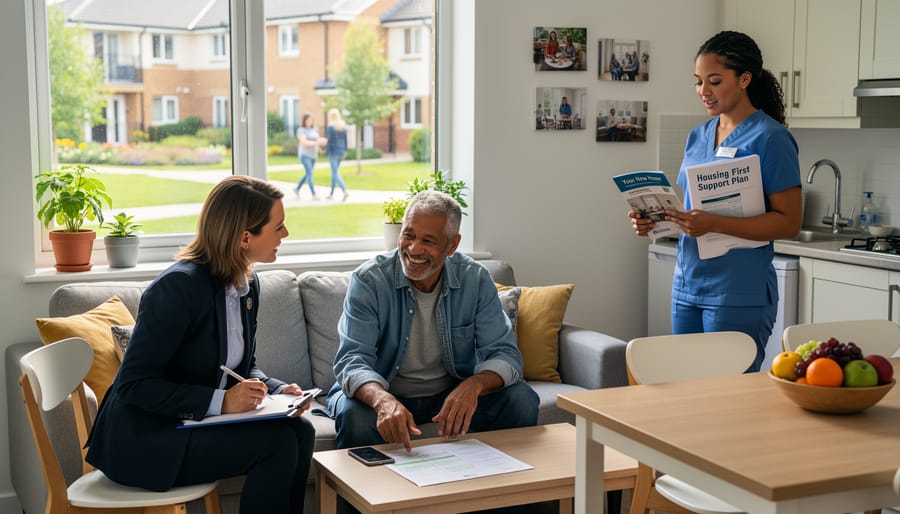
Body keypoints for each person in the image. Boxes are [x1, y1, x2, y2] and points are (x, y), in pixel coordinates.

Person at [86, 176, 316, 514]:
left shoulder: (247, 285)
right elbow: (134, 386)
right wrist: (221, 401)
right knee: (276, 444)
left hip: (191, 426)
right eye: (278, 227)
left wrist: (279, 391)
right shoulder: (177, 289)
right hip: (147, 438)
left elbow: (242, 368)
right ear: (244, 237)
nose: (285, 234)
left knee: (300, 429)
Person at [627, 30, 801, 372]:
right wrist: (654, 221)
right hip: (687, 285)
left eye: (714, 81)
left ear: (744, 79)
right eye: (698, 82)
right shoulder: (699, 135)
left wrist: (713, 224)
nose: (703, 91)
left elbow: (789, 222)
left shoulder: (771, 138)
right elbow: (688, 211)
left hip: (738, 292)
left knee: (728, 400)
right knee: (688, 392)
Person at [326, 190, 539, 453]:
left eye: (428, 240)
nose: (414, 248)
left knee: (522, 400)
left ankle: (508, 492)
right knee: (355, 417)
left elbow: (505, 353)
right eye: (408, 235)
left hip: (447, 394)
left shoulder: (475, 279)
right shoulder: (369, 280)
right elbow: (351, 360)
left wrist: (474, 385)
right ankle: (364, 495)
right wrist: (382, 400)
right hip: (383, 391)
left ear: (452, 245)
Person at [294, 113, 327, 200]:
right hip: (305, 155)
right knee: (310, 173)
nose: (310, 122)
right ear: (304, 121)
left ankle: (297, 189)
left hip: (313, 155)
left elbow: (318, 140)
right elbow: (304, 142)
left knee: (308, 173)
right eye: (308, 120)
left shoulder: (314, 129)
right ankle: (314, 194)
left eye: (311, 120)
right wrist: (317, 143)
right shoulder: (301, 130)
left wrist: (320, 148)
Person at [325, 108, 349, 201]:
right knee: (334, 173)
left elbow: (329, 141)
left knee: (335, 173)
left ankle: (344, 190)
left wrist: (325, 149)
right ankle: (331, 193)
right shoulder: (343, 126)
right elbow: (345, 140)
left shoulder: (330, 127)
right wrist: (345, 151)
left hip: (333, 152)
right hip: (341, 151)